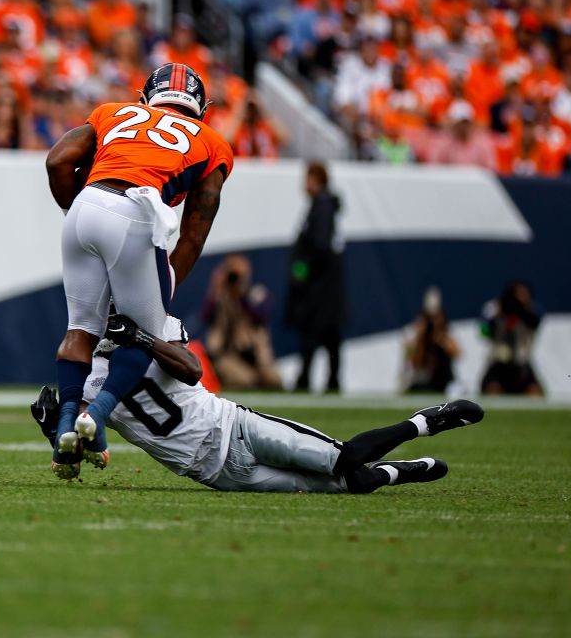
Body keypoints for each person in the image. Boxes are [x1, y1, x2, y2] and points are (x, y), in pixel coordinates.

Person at [31, 313, 484, 491]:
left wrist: (143, 338)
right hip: (216, 472)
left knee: (342, 459)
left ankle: (426, 421)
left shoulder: (157, 326)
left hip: (233, 426)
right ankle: (402, 472)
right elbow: (99, 453)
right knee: (350, 485)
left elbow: (191, 369)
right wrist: (58, 428)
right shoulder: (89, 383)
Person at [44, 62, 233, 477]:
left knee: (79, 331)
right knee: (145, 332)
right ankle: (95, 417)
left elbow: (58, 160)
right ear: (203, 107)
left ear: (145, 97)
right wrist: (162, 296)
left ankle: (63, 432)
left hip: (86, 206)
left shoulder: (114, 112)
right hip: (136, 213)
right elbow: (194, 234)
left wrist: (74, 209)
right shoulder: (213, 143)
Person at [286, 161, 345, 393]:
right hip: (327, 285)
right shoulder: (323, 206)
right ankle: (332, 380)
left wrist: (301, 271)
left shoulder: (321, 206)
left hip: (319, 287)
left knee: (312, 332)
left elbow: (318, 246)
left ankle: (306, 378)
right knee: (330, 334)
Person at [201, 255, 282, 391]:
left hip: (256, 354)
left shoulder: (257, 293)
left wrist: (241, 295)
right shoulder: (221, 297)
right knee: (244, 381)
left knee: (273, 380)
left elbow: (261, 316)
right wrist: (215, 289)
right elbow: (205, 317)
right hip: (229, 354)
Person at [480, 281, 544, 396]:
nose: (520, 300)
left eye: (525, 295)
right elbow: (483, 332)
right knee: (493, 390)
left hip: (521, 365)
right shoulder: (495, 310)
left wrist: (524, 311)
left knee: (535, 391)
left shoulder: (532, 311)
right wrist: (496, 315)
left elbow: (536, 322)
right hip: (498, 365)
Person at [405, 287, 460, 394]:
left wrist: (442, 340)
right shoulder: (419, 336)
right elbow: (415, 363)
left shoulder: (445, 335)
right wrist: (421, 339)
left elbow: (457, 353)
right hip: (426, 381)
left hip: (444, 381)